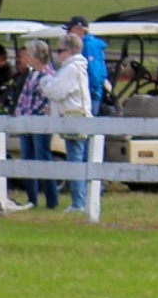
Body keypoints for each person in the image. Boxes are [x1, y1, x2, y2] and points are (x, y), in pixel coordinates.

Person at [40, 34, 95, 213]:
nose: (58, 55)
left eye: (60, 51)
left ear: (70, 51)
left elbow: (56, 91)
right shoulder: (71, 68)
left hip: (75, 118)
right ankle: (79, 201)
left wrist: (45, 82)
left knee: (75, 161)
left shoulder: (72, 69)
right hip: (72, 117)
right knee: (74, 159)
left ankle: (79, 203)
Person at [14, 39, 61, 209]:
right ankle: (32, 199)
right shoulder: (32, 74)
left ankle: (52, 200)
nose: (26, 57)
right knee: (28, 161)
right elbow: (24, 98)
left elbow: (45, 102)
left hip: (40, 124)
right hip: (26, 123)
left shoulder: (48, 76)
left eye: (29, 54)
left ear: (37, 56)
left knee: (43, 159)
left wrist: (30, 117)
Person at [66, 17, 109, 112]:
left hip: (90, 95)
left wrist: (88, 91)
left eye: (70, 29)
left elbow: (95, 73)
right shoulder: (86, 45)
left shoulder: (89, 46)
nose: (68, 33)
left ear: (80, 30)